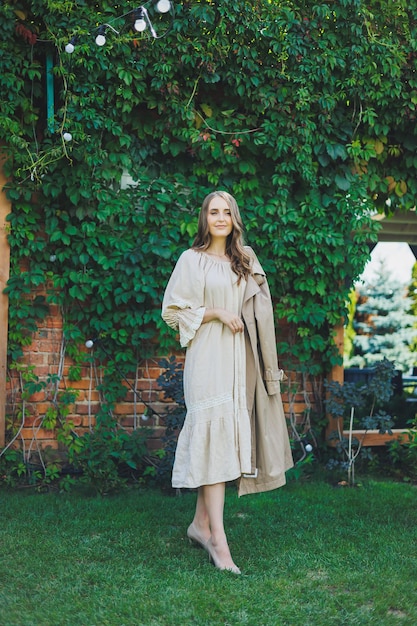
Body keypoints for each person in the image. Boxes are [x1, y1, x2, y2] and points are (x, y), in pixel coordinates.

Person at [161, 190, 293, 574]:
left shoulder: (245, 259)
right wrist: (216, 312)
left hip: (241, 359)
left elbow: (259, 307)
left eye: (227, 212)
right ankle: (218, 540)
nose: (220, 218)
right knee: (213, 442)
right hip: (207, 360)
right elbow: (172, 312)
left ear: (235, 218)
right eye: (213, 212)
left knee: (223, 444)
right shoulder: (192, 260)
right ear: (205, 218)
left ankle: (201, 525)